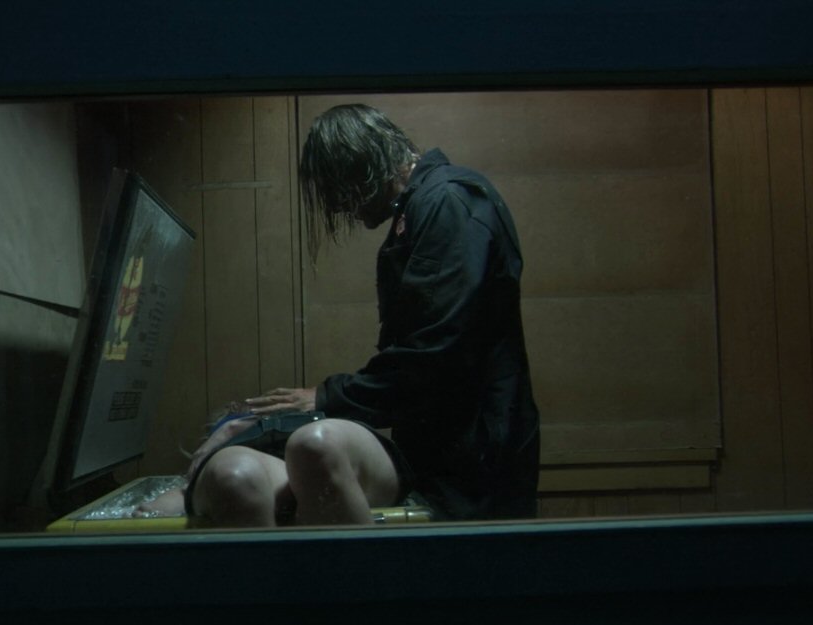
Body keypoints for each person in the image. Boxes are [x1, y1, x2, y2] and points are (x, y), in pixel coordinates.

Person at [146, 103, 540, 527]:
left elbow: (433, 354)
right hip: (448, 449)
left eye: (338, 191)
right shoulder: (426, 208)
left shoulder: (447, 202)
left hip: (473, 456)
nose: (338, 209)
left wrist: (326, 398)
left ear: (361, 168)